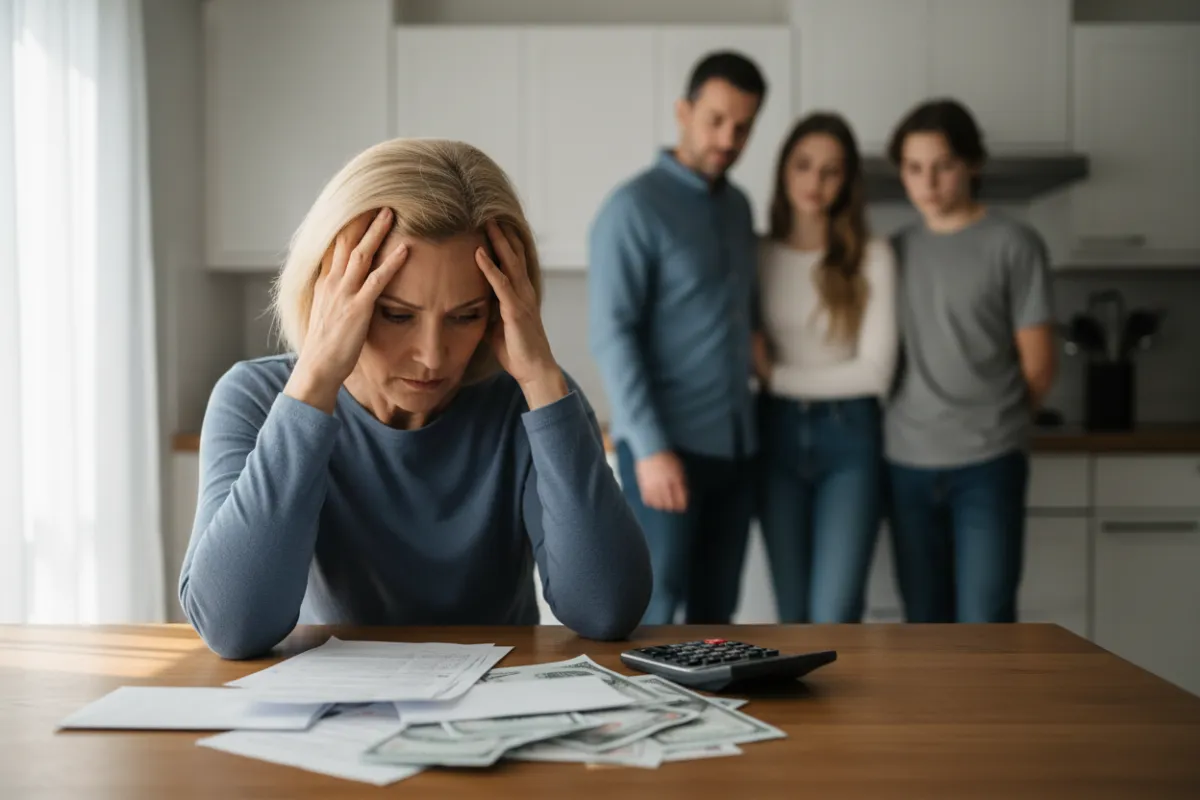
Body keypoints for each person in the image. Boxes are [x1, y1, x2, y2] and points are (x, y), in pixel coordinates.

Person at [180, 138, 652, 659]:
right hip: (331, 715)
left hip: (497, 706)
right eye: (397, 315)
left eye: (466, 315)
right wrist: (314, 382)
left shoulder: (530, 401)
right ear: (330, 295)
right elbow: (231, 626)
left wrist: (541, 378)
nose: (432, 356)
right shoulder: (255, 399)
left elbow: (607, 610)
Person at [588, 51, 766, 626]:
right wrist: (652, 448)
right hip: (667, 449)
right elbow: (613, 333)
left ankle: (726, 716)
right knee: (656, 607)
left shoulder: (739, 208)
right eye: (716, 120)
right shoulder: (633, 208)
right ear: (683, 112)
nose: (728, 138)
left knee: (718, 619)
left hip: (736, 450)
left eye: (742, 127)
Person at [884, 99, 1057, 624]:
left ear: (973, 164)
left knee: (988, 621)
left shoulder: (1014, 244)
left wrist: (992, 427)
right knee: (924, 624)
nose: (928, 181)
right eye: (914, 168)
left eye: (943, 165)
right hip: (906, 462)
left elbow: (1040, 366)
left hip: (988, 464)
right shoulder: (893, 250)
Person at [753, 113, 898, 623]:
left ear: (847, 182)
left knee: (836, 612)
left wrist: (776, 377)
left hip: (850, 438)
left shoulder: (872, 256)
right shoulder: (758, 253)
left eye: (831, 171)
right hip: (774, 437)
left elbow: (876, 372)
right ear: (783, 171)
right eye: (804, 166)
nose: (815, 183)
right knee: (792, 615)